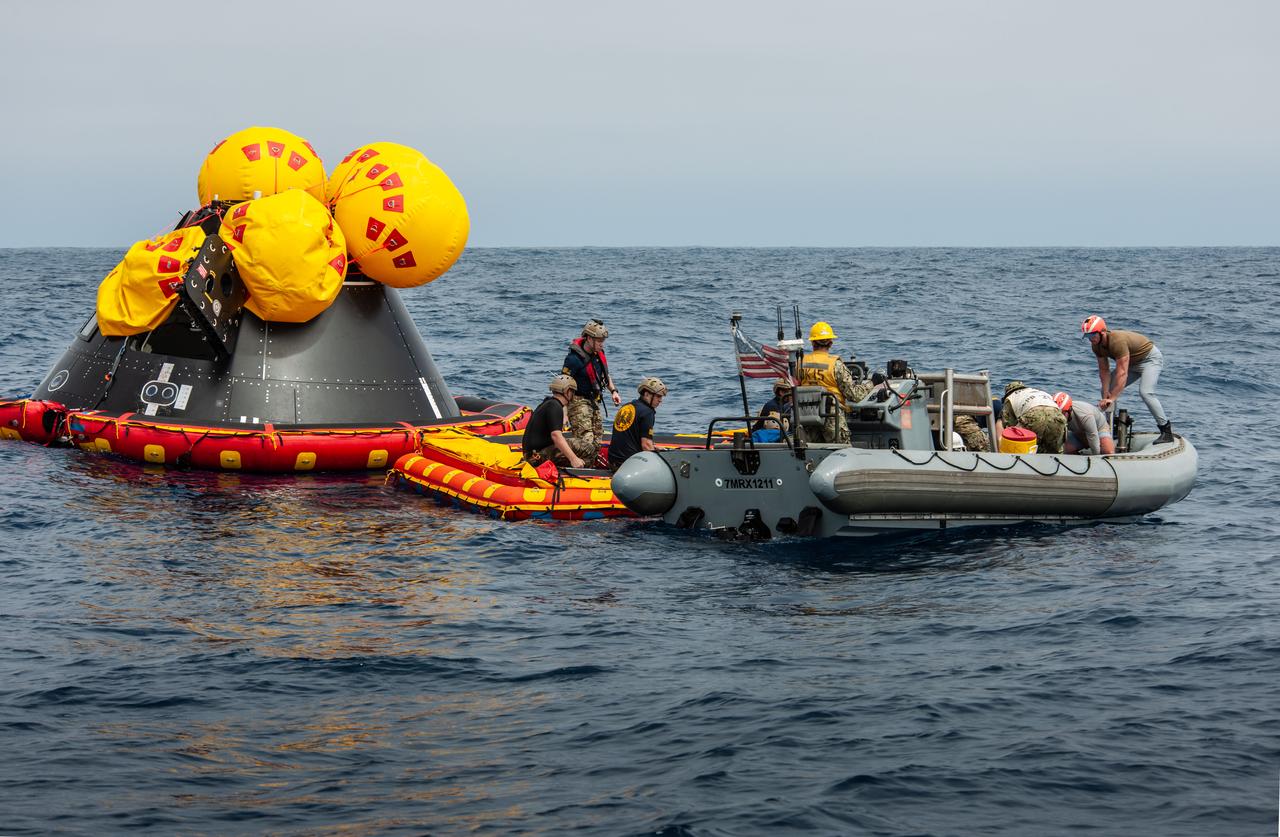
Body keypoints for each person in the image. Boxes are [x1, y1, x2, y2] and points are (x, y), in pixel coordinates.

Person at [1081, 315, 1174, 444]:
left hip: (1149, 360)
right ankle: (1112, 426)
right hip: (1131, 364)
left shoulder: (1117, 342)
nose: (1091, 339)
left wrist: (1112, 398)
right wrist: (1106, 395)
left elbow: (1122, 373)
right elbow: (1104, 371)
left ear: (1102, 332)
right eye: (1087, 336)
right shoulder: (1096, 346)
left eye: (1092, 335)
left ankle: (1166, 430)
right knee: (1106, 391)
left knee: (1146, 392)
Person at [798, 321, 873, 444]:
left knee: (811, 450)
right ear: (830, 343)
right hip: (831, 415)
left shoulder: (800, 363)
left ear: (812, 342)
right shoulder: (835, 364)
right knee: (841, 449)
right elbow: (855, 395)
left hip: (806, 414)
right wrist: (872, 383)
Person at [562, 319, 622, 464]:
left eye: (603, 341)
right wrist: (564, 414)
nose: (602, 344)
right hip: (577, 402)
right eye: (599, 341)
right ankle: (576, 464)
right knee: (585, 440)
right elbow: (563, 385)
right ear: (589, 338)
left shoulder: (598, 354)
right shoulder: (573, 359)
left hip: (594, 401)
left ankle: (589, 465)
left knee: (597, 438)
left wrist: (613, 391)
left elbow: (604, 375)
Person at [522, 374, 585, 469]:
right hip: (535, 458)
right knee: (584, 446)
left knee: (569, 444)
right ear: (567, 391)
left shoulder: (548, 403)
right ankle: (581, 468)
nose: (573, 395)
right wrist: (573, 459)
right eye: (573, 391)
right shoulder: (555, 406)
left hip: (532, 455)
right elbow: (556, 435)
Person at [607, 376, 667, 472]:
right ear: (647, 394)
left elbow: (629, 437)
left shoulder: (627, 406)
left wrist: (653, 446)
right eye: (658, 396)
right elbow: (646, 446)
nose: (660, 400)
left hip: (613, 461)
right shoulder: (647, 412)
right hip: (629, 466)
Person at [1000, 381, 1068, 454]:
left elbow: (1009, 427)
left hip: (1033, 416)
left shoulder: (1010, 398)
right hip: (1057, 416)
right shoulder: (1039, 392)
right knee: (1054, 451)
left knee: (1025, 449)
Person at [1054, 391, 1115, 456]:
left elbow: (1093, 436)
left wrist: (1096, 457)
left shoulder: (1085, 415)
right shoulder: (1054, 415)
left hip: (1098, 430)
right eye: (1057, 413)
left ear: (1069, 409)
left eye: (1062, 413)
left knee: (1109, 452)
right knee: (1061, 451)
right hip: (1077, 433)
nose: (1059, 416)